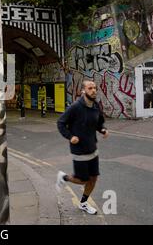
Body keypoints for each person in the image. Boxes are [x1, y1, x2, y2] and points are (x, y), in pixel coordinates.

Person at [55, 80, 109, 215]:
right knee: (83, 179)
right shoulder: (75, 107)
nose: (94, 90)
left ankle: (83, 203)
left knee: (94, 178)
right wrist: (70, 136)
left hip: (92, 149)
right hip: (79, 150)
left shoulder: (96, 106)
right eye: (90, 88)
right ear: (83, 91)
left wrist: (103, 130)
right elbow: (61, 123)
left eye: (95, 88)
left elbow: (99, 123)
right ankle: (64, 177)